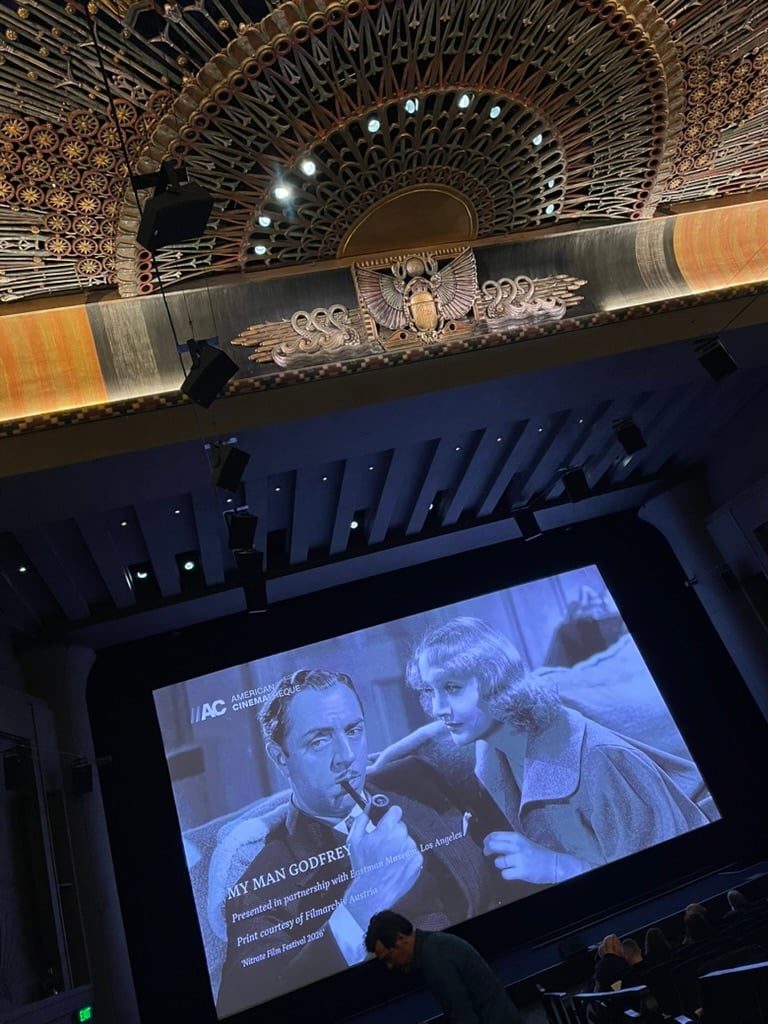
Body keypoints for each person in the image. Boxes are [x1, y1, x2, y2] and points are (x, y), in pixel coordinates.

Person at [216, 669, 505, 1019]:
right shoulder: (256, 885)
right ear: (280, 757)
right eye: (319, 741)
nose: (347, 756)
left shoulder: (416, 777)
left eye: (353, 731)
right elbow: (246, 1007)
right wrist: (362, 900)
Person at [405, 617, 712, 886]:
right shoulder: (490, 752)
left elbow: (670, 879)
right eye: (429, 691)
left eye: (452, 688)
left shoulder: (600, 760)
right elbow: (425, 742)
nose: (437, 709)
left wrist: (554, 867)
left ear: (493, 679)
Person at [364, 910, 523, 1024]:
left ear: (401, 939)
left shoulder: (433, 957)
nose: (390, 966)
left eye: (388, 958)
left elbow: (462, 1015)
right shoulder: (434, 945)